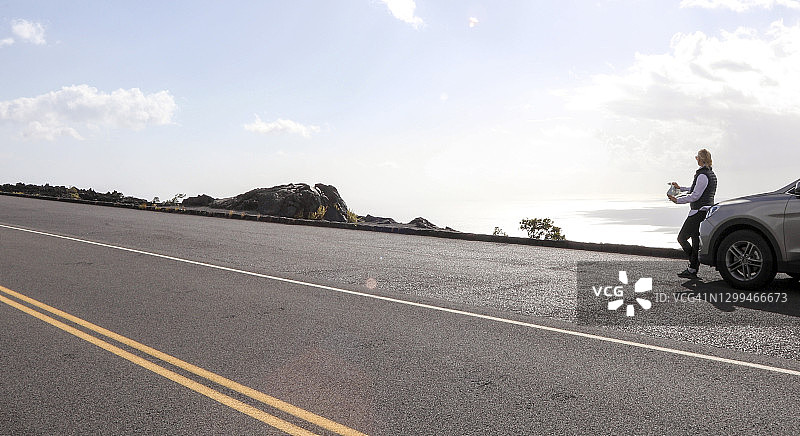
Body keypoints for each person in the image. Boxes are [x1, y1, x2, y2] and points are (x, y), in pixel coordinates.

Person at [668, 149, 717, 279]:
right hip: (706, 211)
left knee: (682, 238)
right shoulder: (711, 174)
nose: (696, 159)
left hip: (698, 212)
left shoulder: (702, 175)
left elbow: (695, 195)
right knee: (695, 240)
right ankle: (692, 268)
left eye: (697, 157)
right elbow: (694, 189)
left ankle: (694, 262)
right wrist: (680, 188)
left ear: (701, 159)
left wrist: (677, 200)